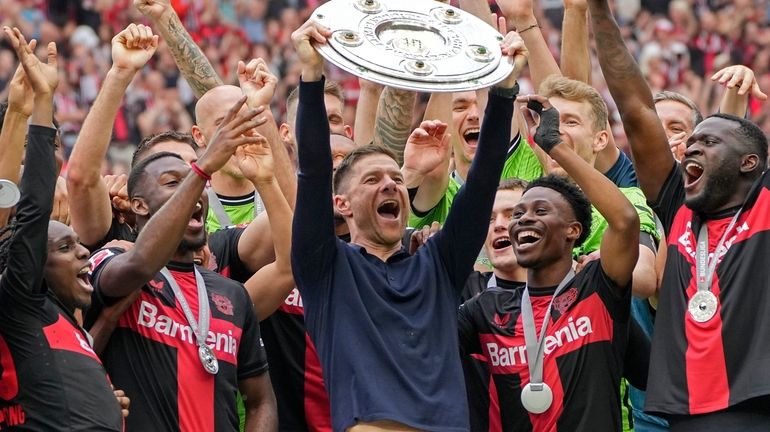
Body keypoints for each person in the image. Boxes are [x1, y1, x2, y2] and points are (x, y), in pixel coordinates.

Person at [290, 16, 527, 430]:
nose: (391, 185)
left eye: (396, 179)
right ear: (341, 203)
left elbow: (483, 181)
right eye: (373, 179)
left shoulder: (436, 264)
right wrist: (311, 77)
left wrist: (504, 89)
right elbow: (312, 171)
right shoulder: (325, 267)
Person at [586, 0, 770, 429]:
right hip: (683, 408)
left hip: (755, 402)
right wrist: (599, 12)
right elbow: (635, 108)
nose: (691, 148)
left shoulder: (764, 205)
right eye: (693, 143)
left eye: (708, 142)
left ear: (748, 163)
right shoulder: (678, 208)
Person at [84, 96, 278, 431]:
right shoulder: (111, 259)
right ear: (139, 206)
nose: (195, 189)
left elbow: (260, 400)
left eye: (195, 183)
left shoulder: (232, 294)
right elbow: (142, 264)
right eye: (174, 183)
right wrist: (203, 168)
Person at [459, 93, 640, 431]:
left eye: (540, 211)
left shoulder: (597, 288)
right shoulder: (484, 310)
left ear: (573, 230)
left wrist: (555, 147)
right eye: (519, 214)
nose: (521, 220)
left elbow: (625, 221)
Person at [0, 27, 123, 431]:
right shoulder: (20, 294)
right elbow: (29, 212)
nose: (84, 251)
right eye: (66, 247)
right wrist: (34, 108)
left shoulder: (62, 314)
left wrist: (101, 397)